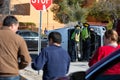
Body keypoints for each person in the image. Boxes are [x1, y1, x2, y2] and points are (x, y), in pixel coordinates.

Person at [0, 16, 31, 80]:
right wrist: (17, 66)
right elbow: (26, 60)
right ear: (12, 25)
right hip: (12, 74)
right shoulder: (18, 39)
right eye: (17, 27)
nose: (17, 29)